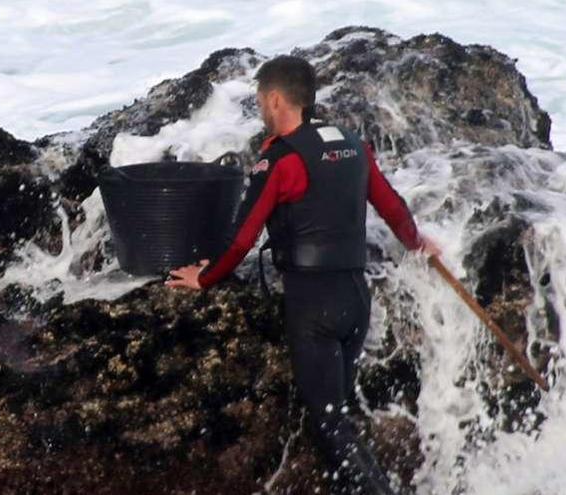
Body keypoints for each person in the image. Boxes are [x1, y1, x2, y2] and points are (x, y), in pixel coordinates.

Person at [165, 55, 441, 494]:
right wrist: (417, 242)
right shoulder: (352, 145)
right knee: (340, 418)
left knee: (328, 423)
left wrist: (206, 277)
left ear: (275, 100)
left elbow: (242, 238)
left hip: (314, 305)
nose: (259, 109)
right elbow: (391, 206)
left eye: (259, 101)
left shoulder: (281, 162)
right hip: (356, 298)